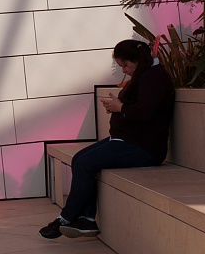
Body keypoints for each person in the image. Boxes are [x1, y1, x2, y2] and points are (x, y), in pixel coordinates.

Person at [38, 39, 175, 240]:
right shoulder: (144, 75)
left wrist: (121, 108)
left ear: (138, 59)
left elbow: (145, 112)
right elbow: (138, 108)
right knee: (79, 159)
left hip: (144, 148)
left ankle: (65, 218)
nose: (124, 71)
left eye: (125, 65)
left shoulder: (155, 77)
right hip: (127, 140)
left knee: (85, 163)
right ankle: (86, 219)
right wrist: (118, 106)